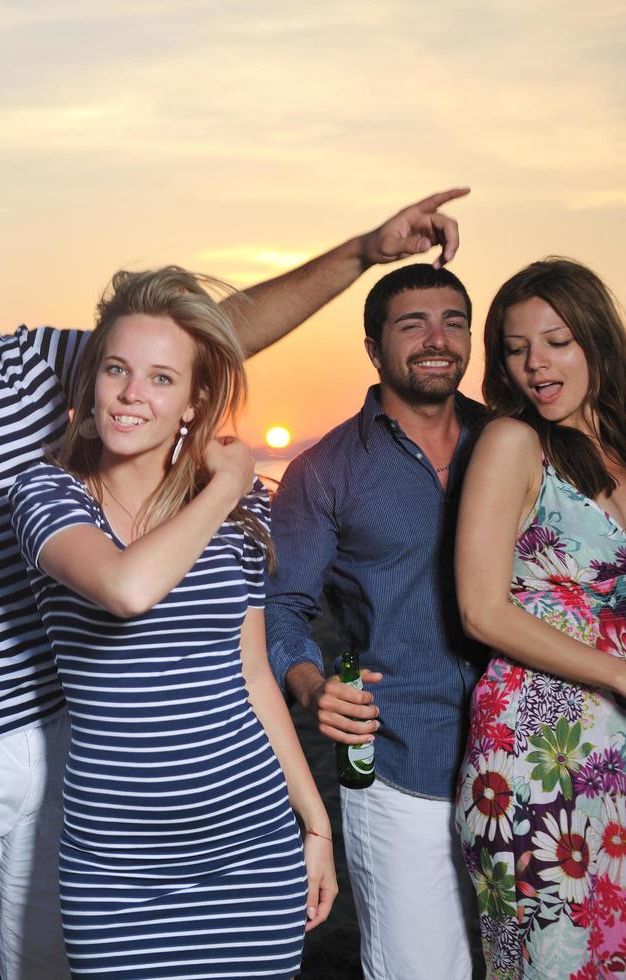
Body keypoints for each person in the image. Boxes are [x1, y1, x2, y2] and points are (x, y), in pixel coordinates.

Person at [0, 175, 468, 978]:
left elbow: (202, 335)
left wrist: (360, 254)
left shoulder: (39, 361)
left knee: (51, 965)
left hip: (64, 736)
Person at [7, 267, 337, 977]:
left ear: (194, 401)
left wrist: (314, 819)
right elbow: (128, 590)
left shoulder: (240, 519)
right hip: (116, 876)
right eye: (117, 370)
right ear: (89, 381)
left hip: (251, 853)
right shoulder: (47, 495)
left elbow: (252, 677)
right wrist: (227, 483)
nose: (132, 394)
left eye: (162, 378)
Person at [264, 263, 485, 978]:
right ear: (373, 346)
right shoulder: (325, 470)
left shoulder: (511, 442)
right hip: (395, 761)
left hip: (521, 753)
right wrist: (309, 682)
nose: (437, 338)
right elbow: (284, 608)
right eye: (412, 323)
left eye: (454, 321)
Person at [453, 258, 626, 977]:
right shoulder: (512, 442)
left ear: (595, 339)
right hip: (533, 759)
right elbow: (480, 610)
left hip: (614, 753)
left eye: (555, 341)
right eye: (517, 348)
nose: (535, 365)